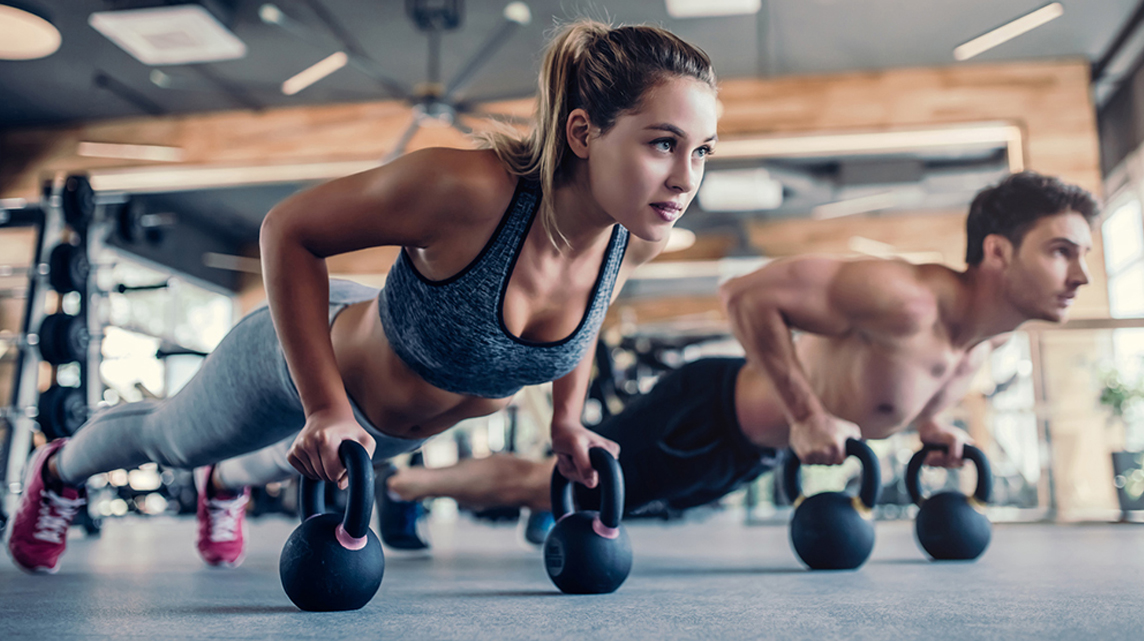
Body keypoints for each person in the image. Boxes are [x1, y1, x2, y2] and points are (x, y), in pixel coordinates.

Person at [6, 20, 721, 573]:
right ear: (582, 133)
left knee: (282, 456)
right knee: (170, 442)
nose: (686, 177)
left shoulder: (634, 236)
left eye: (702, 151)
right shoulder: (468, 191)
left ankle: (228, 485)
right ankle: (60, 469)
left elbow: (583, 323)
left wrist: (567, 420)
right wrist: (324, 405)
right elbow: (288, 229)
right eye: (664, 143)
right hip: (304, 357)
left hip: (375, 429)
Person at [380, 171, 1098, 536]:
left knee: (597, 504)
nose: (1083, 275)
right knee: (548, 484)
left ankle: (455, 494)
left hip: (741, 453)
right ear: (999, 253)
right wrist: (808, 412)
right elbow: (745, 293)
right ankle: (403, 488)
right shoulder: (903, 295)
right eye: (1062, 251)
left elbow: (899, 386)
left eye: (1086, 255)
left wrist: (934, 426)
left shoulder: (985, 339)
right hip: (706, 412)